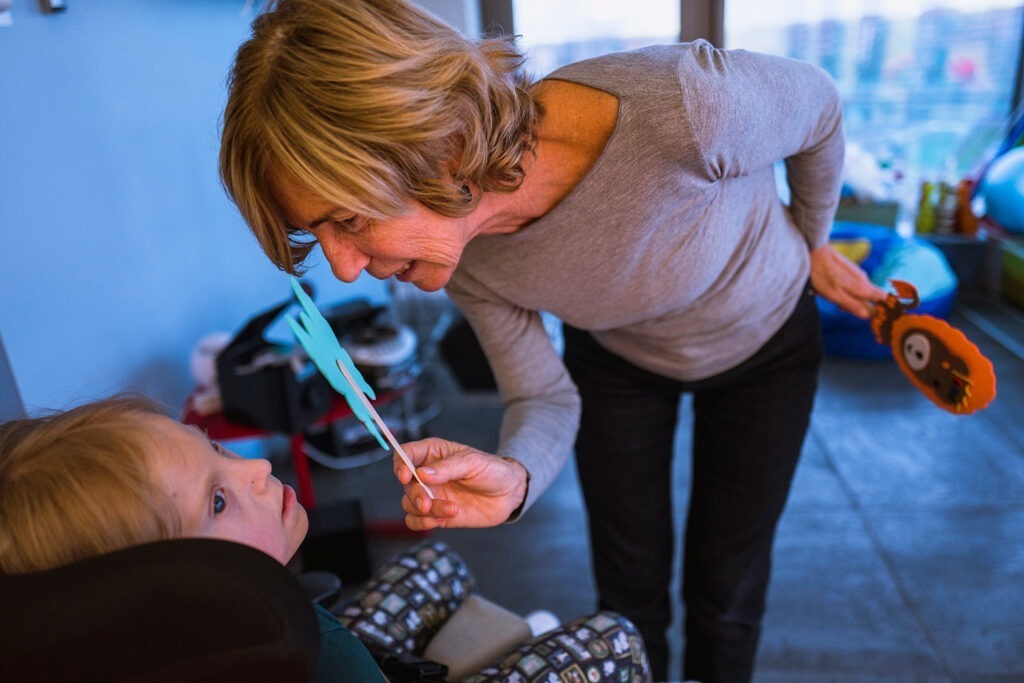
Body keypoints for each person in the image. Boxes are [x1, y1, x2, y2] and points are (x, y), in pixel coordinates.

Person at [218, 1, 887, 680]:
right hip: (619, 357)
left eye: (349, 219)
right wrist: (515, 475)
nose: (342, 267)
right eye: (319, 233)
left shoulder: (686, 107)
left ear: (434, 141)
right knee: (628, 593)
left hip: (765, 342)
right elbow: (543, 395)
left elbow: (820, 109)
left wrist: (814, 240)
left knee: (727, 587)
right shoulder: (463, 257)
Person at [0, 396, 651, 683]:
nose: (257, 467)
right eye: (218, 500)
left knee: (437, 561)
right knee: (613, 640)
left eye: (218, 450)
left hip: (341, 642)